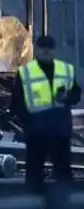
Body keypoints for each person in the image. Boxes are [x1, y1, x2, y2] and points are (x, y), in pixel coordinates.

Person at [10, 35, 81, 193]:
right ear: (37, 50)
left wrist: (67, 96)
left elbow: (76, 94)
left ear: (54, 50)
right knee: (35, 175)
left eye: (49, 47)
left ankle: (63, 208)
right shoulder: (26, 73)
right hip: (37, 132)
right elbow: (16, 102)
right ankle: (34, 208)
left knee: (63, 174)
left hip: (59, 132)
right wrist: (28, 122)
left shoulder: (66, 70)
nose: (46, 51)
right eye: (43, 47)